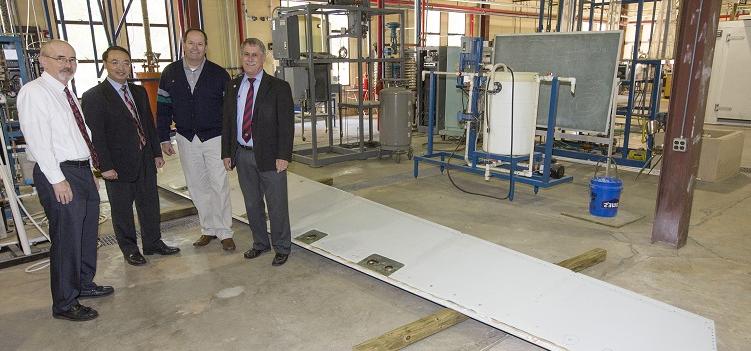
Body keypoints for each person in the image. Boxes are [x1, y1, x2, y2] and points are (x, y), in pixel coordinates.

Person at [17, 39, 112, 321]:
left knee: (85, 233)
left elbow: (78, 136)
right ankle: (65, 302)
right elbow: (39, 140)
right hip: (58, 172)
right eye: (60, 58)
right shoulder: (34, 93)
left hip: (80, 171)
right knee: (67, 238)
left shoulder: (64, 94)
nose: (67, 64)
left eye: (71, 59)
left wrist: (91, 171)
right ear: (42, 61)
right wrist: (57, 179)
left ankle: (84, 283)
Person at [82, 46, 180, 266]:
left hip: (144, 158)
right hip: (117, 164)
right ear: (105, 64)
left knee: (150, 204)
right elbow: (96, 136)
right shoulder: (94, 97)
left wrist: (156, 152)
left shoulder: (138, 92)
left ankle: (153, 243)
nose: (121, 67)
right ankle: (130, 249)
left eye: (126, 62)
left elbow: (147, 123)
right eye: (115, 62)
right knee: (122, 209)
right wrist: (104, 166)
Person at [157, 28, 235, 250]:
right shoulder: (170, 73)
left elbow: (229, 112)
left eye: (200, 44)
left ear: (205, 46)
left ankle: (224, 231)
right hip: (185, 137)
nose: (195, 47)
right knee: (196, 185)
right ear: (184, 45)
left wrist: (230, 142)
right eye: (191, 43)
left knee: (218, 184)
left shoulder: (219, 74)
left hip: (214, 137)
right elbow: (163, 108)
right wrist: (163, 137)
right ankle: (208, 229)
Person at [221, 38, 294, 266]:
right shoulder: (233, 86)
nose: (250, 59)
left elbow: (287, 124)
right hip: (242, 155)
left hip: (271, 156)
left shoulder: (279, 87)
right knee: (252, 204)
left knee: (276, 204)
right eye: (246, 54)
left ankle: (282, 247)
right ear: (241, 58)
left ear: (264, 58)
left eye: (255, 54)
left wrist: (283, 155)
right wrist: (227, 152)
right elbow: (228, 122)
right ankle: (260, 243)